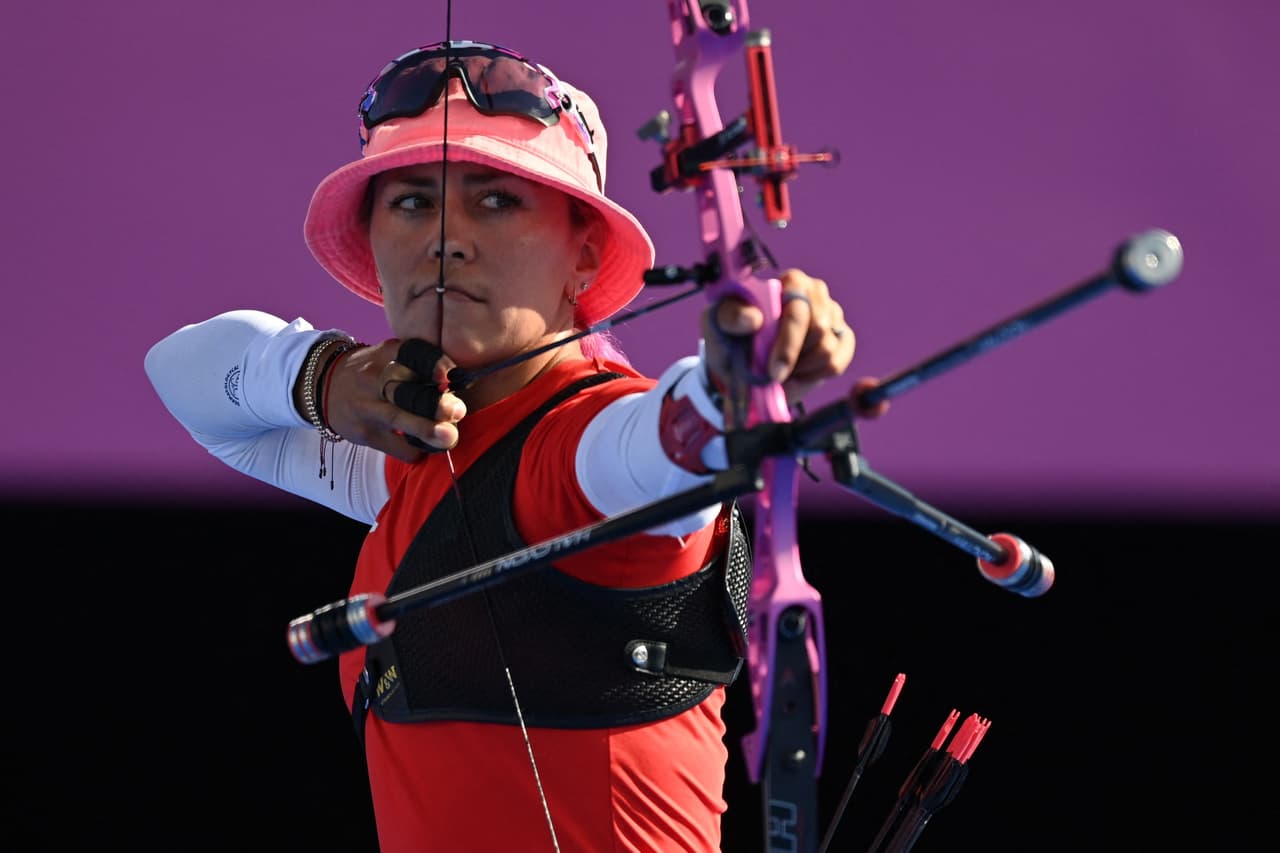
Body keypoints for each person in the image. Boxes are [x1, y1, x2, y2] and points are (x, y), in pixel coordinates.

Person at [145, 38, 868, 853]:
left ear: (584, 251)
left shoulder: (576, 451)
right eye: (413, 202)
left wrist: (736, 380)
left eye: (495, 202)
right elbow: (182, 374)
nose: (446, 238)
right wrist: (327, 377)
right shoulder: (412, 458)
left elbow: (659, 445)